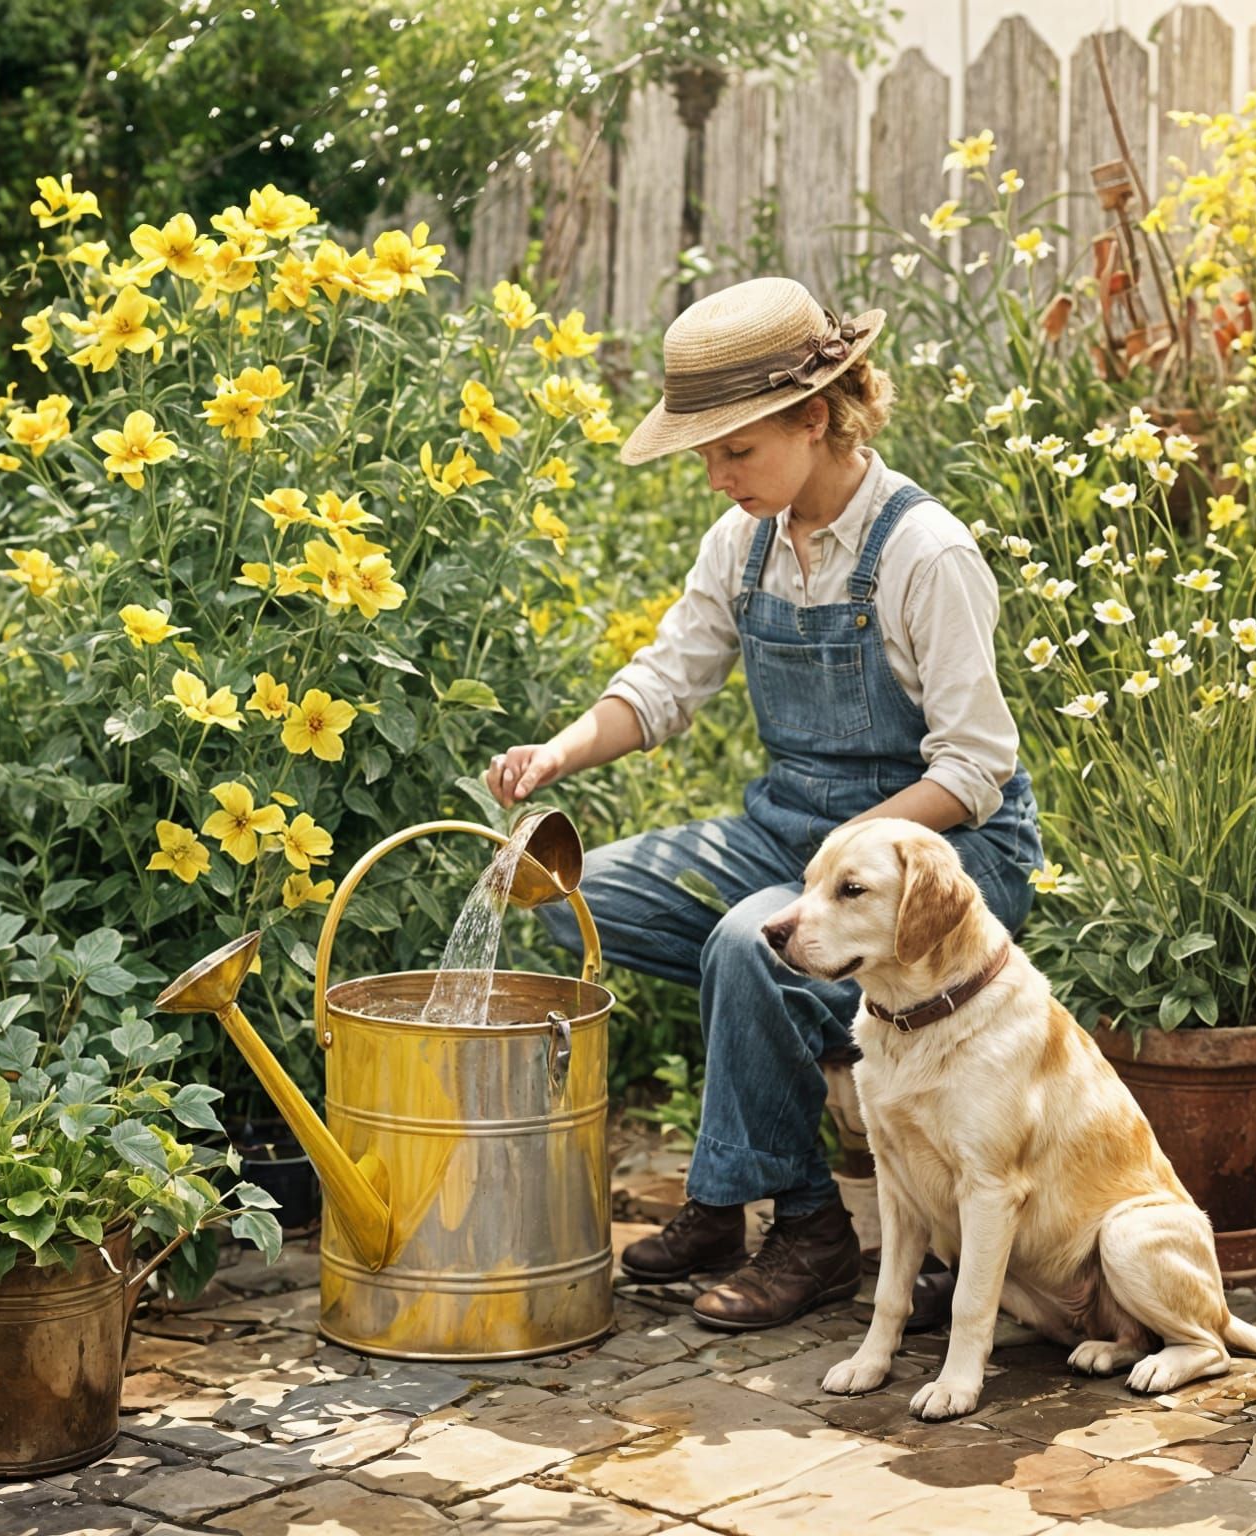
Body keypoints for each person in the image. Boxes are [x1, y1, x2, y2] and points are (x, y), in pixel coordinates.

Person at [485, 276, 1043, 1333]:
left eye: (734, 450)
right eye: (704, 454)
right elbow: (661, 684)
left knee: (751, 944)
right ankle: (727, 1185)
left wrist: (839, 857)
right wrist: (556, 755)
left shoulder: (926, 555)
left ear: (815, 417)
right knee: (568, 898)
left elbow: (977, 769)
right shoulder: (743, 544)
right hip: (790, 837)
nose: (716, 476)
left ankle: (805, 1229)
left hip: (941, 862)